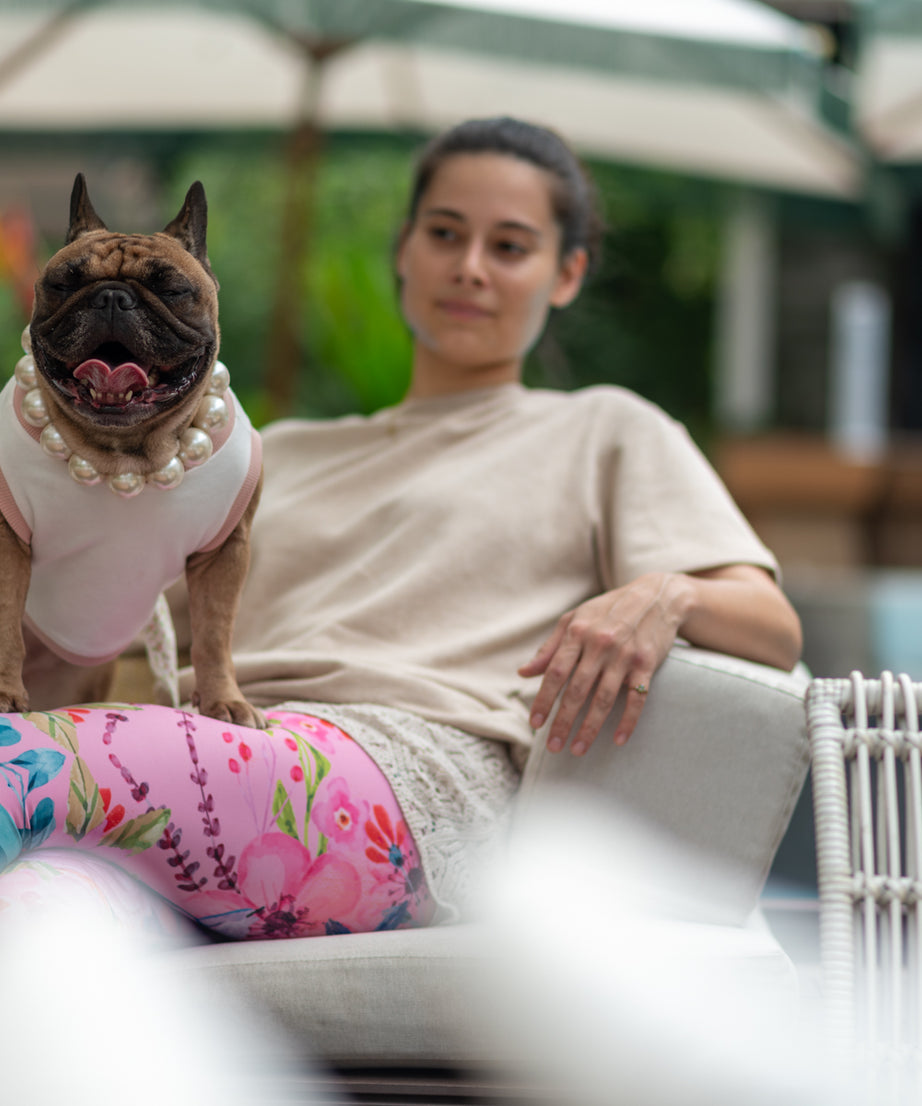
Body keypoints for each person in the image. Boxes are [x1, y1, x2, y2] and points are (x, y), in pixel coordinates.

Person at [0, 117, 801, 941]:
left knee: (17, 771)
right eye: (445, 233)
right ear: (404, 250)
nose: (469, 267)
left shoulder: (606, 430)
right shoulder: (249, 449)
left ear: (567, 276)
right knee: (32, 921)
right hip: (185, 772)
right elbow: (112, 633)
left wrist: (661, 593)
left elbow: (771, 625)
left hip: (400, 780)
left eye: (511, 246)